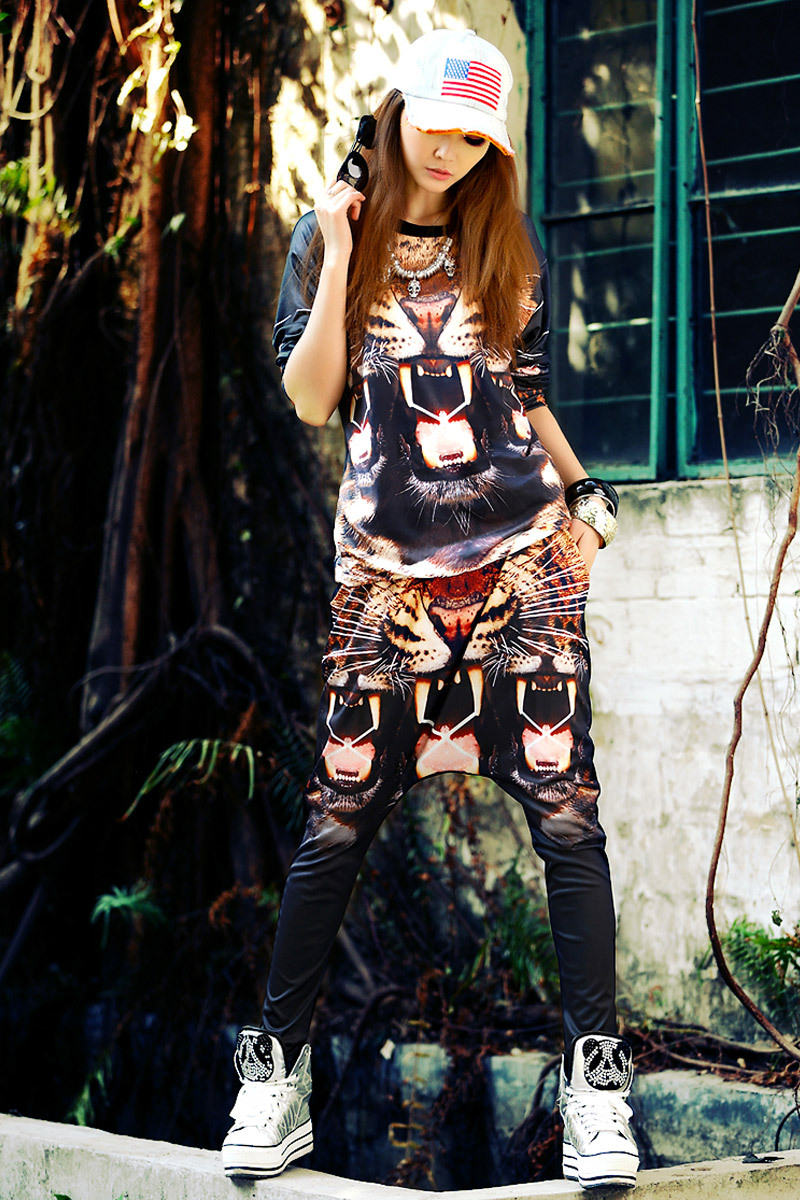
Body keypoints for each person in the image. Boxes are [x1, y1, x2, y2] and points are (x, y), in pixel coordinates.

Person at [222, 27, 639, 1191]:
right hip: (380, 585)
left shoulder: (504, 239)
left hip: (523, 571)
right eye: (434, 123)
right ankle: (273, 1081)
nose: (449, 149)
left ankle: (598, 1091)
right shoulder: (329, 236)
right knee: (335, 823)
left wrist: (586, 500)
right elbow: (311, 400)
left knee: (566, 821)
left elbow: (524, 394)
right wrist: (340, 248)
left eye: (474, 135)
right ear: (396, 108)